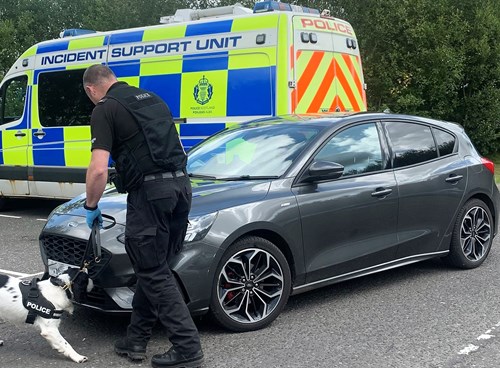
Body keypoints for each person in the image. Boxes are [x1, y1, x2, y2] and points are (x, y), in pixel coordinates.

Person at [82, 64, 203, 368]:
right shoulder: (152, 98)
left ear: (91, 89)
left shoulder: (105, 108)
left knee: (152, 270)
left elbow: (97, 169)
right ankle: (136, 339)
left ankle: (188, 347)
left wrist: (91, 206)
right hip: (181, 188)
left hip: (151, 195)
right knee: (154, 267)